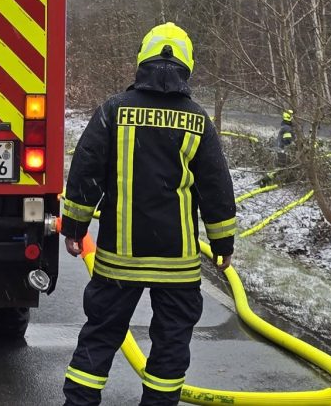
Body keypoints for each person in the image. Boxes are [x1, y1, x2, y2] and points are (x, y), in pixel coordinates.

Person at [60, 22, 237, 406]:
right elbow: (216, 188)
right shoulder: (197, 120)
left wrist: (74, 227)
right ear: (187, 66)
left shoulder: (113, 111)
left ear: (142, 60)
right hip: (178, 264)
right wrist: (223, 242)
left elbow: (85, 173)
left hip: (119, 261)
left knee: (100, 336)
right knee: (171, 345)